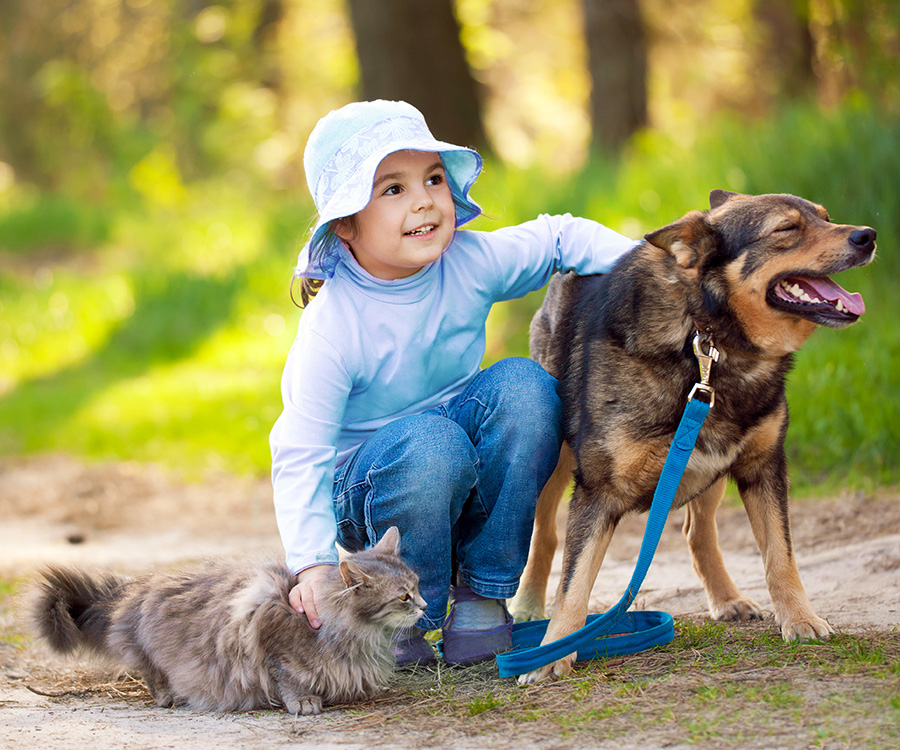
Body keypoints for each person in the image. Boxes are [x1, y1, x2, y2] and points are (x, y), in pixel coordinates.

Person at [270, 100, 636, 666]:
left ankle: (482, 597)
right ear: (345, 223)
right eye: (392, 189)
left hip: (458, 459)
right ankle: (409, 619)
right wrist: (313, 566)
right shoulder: (334, 327)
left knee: (526, 386)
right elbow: (300, 453)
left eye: (434, 179)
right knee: (429, 445)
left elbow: (562, 237)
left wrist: (650, 271)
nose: (423, 200)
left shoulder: (467, 260)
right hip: (369, 492)